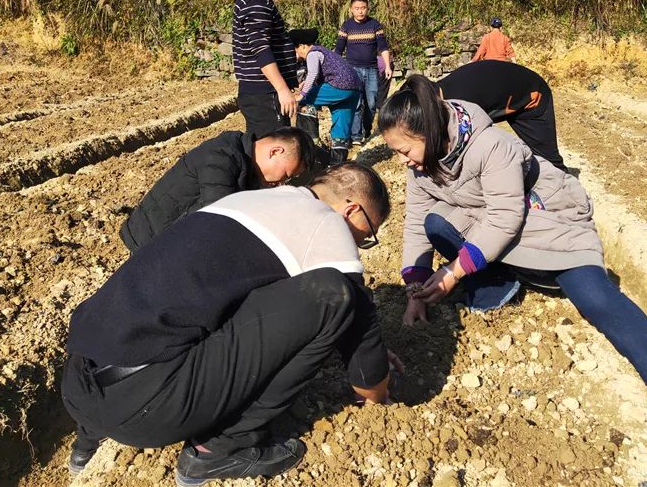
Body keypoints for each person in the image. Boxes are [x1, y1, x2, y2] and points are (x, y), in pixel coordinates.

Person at [378, 75, 647, 438]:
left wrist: (453, 273)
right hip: (488, 222)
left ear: (427, 131)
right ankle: (497, 284)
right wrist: (414, 287)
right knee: (435, 223)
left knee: (595, 297)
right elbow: (415, 222)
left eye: (404, 150)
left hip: (546, 217)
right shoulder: (421, 164)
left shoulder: (489, 145)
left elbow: (505, 219)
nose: (402, 160)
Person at [61, 163, 400, 486]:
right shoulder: (328, 223)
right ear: (352, 210)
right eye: (367, 234)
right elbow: (358, 332)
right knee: (332, 294)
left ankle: (85, 443)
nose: (360, 243)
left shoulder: (245, 200)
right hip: (147, 410)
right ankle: (220, 450)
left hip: (78, 380)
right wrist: (376, 385)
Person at [119, 127, 316, 252]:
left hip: (169, 238)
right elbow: (217, 216)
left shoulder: (247, 166)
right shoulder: (221, 157)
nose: (283, 181)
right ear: (275, 152)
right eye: (286, 174)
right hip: (150, 238)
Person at [436, 60, 565, 170]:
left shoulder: (461, 106)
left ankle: (567, 193)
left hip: (530, 95)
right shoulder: (439, 98)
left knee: (548, 160)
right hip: (498, 93)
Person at [232, 0, 300, 136]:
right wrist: (282, 89)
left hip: (263, 92)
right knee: (275, 148)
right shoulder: (256, 2)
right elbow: (261, 50)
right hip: (264, 93)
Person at [292, 28, 363, 165]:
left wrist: (301, 95)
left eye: (296, 50)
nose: (296, 54)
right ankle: (336, 165)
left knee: (305, 102)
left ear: (302, 46)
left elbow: (313, 74)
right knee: (341, 130)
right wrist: (306, 84)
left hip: (339, 85)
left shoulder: (313, 53)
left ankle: (311, 142)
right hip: (354, 89)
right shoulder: (326, 52)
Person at [335, 0, 392, 145]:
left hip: (372, 69)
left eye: (363, 8)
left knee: (372, 103)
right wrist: (336, 69)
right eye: (357, 8)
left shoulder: (375, 25)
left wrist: (387, 66)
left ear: (367, 8)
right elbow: (338, 50)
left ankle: (366, 128)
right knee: (357, 103)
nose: (360, 11)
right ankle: (356, 136)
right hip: (353, 70)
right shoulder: (346, 27)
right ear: (352, 10)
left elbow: (383, 47)